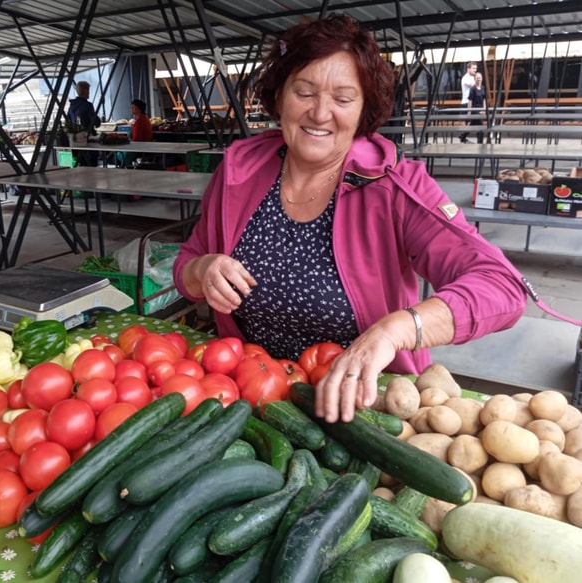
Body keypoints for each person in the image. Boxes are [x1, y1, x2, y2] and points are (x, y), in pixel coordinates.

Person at [172, 14, 534, 423]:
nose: (320, 113)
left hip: (359, 410)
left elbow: (502, 286)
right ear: (279, 97)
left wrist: (395, 330)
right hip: (250, 401)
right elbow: (187, 262)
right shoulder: (240, 168)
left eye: (343, 99)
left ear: (364, 110)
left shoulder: (393, 184)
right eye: (303, 92)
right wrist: (204, 270)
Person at [67, 80, 101, 166]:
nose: (89, 93)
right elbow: (96, 122)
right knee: (92, 166)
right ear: (85, 91)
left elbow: (68, 121)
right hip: (88, 141)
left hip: (76, 142)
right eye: (88, 90)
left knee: (82, 166)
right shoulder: (87, 105)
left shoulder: (71, 106)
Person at [459, 62, 477, 143]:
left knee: (472, 120)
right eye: (473, 68)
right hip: (466, 101)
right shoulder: (465, 78)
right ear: (468, 69)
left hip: (472, 102)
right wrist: (478, 80)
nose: (475, 70)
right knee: (466, 120)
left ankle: (463, 136)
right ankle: (463, 136)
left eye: (476, 68)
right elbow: (472, 85)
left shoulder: (474, 78)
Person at [468, 72, 487, 144]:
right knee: (480, 125)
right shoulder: (473, 89)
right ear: (474, 79)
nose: (478, 79)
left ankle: (463, 135)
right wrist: (469, 111)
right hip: (475, 109)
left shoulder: (483, 88)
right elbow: (470, 100)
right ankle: (480, 142)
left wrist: (484, 109)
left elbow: (484, 99)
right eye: (477, 78)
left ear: (482, 79)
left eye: (479, 78)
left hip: (481, 109)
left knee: (473, 123)